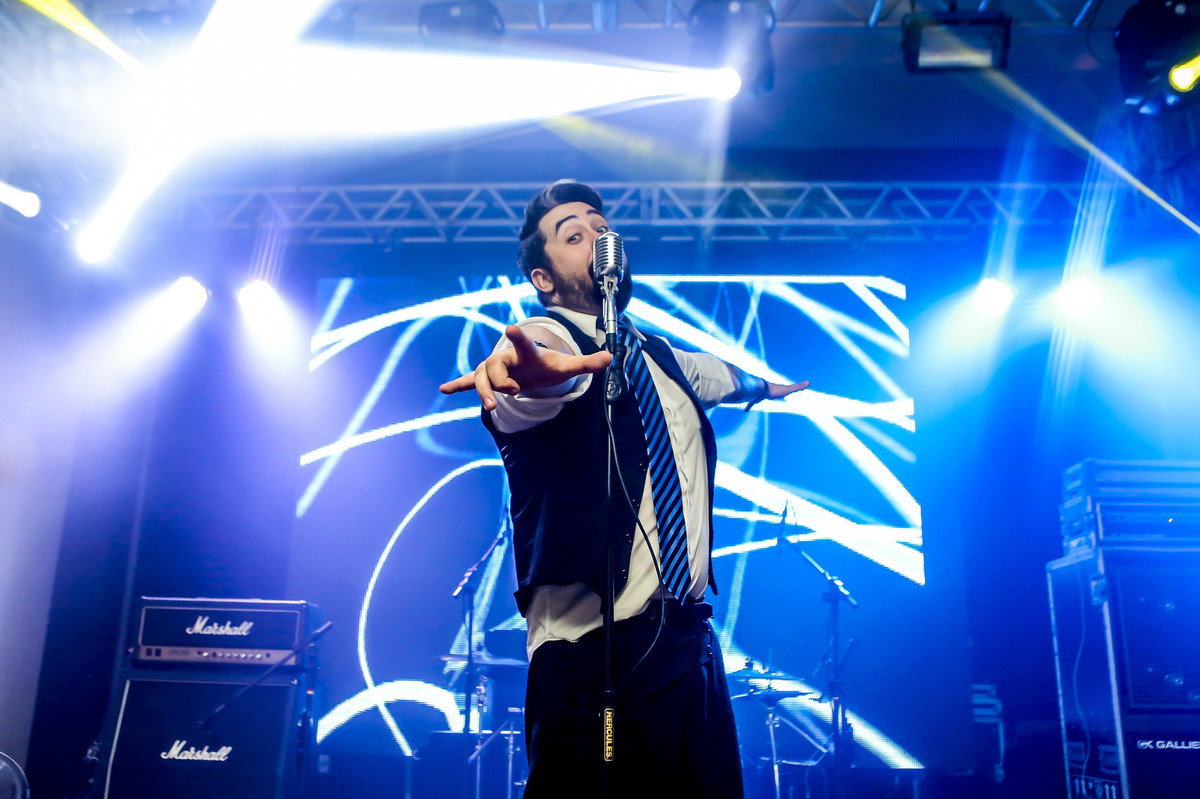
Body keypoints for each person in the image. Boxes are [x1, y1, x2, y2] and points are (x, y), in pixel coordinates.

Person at [439, 180, 808, 798]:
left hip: (690, 642)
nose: (597, 236)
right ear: (542, 278)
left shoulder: (658, 356)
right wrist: (521, 374)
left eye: (600, 226)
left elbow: (717, 375)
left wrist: (765, 387)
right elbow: (535, 372)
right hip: (592, 649)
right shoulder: (549, 340)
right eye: (573, 235)